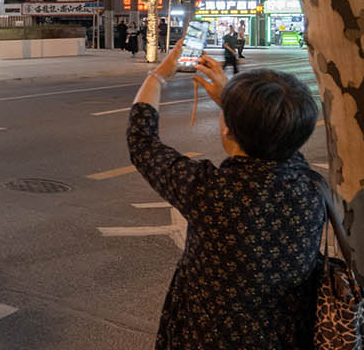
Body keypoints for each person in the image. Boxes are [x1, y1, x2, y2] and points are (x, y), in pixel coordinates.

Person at [128, 37, 323, 346]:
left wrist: (158, 75)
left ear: (227, 128)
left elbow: (141, 140)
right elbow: (279, 141)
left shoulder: (210, 192)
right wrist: (236, 108)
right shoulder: (311, 187)